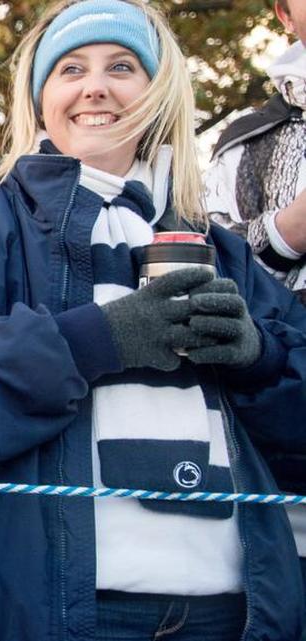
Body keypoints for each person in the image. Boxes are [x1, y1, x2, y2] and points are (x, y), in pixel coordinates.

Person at [0, 1, 306, 639]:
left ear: (157, 93)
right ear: (39, 102)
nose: (96, 85)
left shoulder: (223, 251)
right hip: (45, 613)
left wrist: (262, 362)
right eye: (70, 68)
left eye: (122, 66)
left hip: (235, 613)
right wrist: (94, 341)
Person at [203, 0, 306, 612]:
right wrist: (289, 231)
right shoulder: (245, 140)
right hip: (284, 449)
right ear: (284, 13)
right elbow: (210, 266)